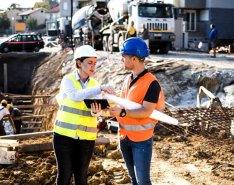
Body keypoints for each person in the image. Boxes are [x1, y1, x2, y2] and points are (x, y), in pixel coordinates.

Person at [53, 45, 115, 185]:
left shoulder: (94, 83)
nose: (93, 66)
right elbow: (75, 96)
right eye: (89, 62)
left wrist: (95, 112)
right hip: (64, 136)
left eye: (95, 63)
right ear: (79, 63)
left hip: (86, 138)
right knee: (65, 175)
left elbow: (97, 112)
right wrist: (99, 88)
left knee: (81, 177)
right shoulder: (68, 80)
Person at [108, 37, 165, 185]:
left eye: (124, 57)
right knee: (134, 179)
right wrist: (109, 107)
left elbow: (145, 111)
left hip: (141, 140)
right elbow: (122, 103)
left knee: (143, 181)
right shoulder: (128, 79)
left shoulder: (152, 83)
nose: (122, 60)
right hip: (124, 137)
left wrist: (122, 113)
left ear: (133, 58)